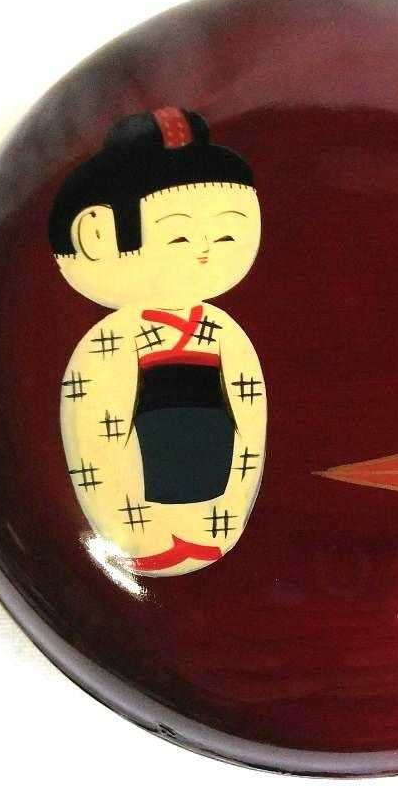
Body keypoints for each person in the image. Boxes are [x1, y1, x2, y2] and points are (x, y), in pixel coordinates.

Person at [48, 107, 266, 575]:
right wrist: (121, 525)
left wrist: (228, 513)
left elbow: (249, 420)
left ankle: (205, 536)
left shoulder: (225, 333)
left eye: (227, 234)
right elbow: (95, 437)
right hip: (139, 503)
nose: (205, 249)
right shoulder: (109, 340)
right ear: (96, 237)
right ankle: (154, 544)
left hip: (214, 483)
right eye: (180, 237)